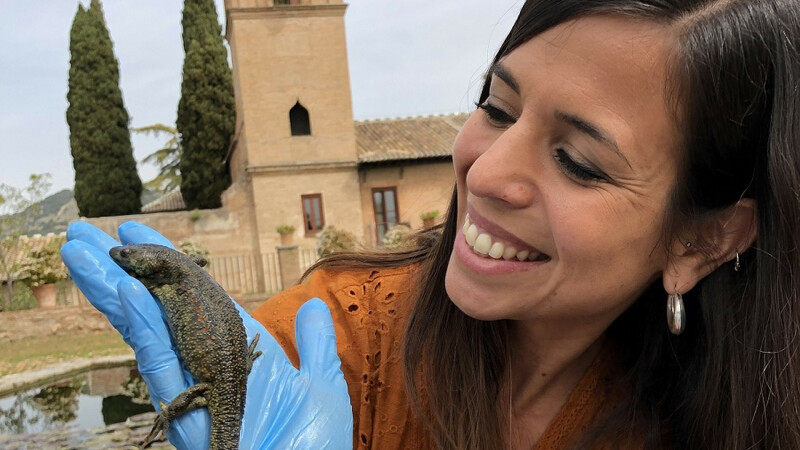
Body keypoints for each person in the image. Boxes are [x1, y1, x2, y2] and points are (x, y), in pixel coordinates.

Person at [61, 0, 800, 448]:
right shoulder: (339, 333)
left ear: (703, 239)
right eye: (496, 106)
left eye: (577, 161)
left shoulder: (736, 420)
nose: (483, 172)